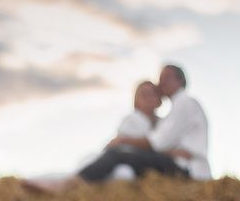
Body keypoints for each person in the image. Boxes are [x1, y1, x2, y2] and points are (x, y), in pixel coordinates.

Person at [77, 64, 211, 182]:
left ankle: (75, 181)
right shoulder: (174, 110)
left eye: (167, 78)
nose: (161, 83)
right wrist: (171, 151)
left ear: (180, 81)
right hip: (183, 166)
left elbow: (158, 143)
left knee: (118, 154)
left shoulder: (183, 102)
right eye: (160, 79)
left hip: (189, 168)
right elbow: (165, 144)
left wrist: (122, 140)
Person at [24, 80, 163, 191]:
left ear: (159, 99)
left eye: (152, 94)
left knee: (124, 176)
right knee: (119, 174)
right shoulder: (132, 119)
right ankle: (42, 182)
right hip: (116, 160)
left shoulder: (164, 124)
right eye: (143, 95)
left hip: (134, 165)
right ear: (136, 100)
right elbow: (119, 145)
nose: (148, 98)